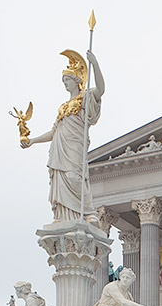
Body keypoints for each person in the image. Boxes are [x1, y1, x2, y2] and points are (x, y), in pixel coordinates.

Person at [22, 49, 104, 222]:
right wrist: (32, 141)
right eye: (63, 80)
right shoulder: (63, 107)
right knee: (60, 180)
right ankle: (62, 215)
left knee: (75, 177)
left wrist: (95, 64)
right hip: (59, 147)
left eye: (67, 80)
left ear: (76, 80)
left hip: (75, 144)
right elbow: (54, 131)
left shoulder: (85, 98)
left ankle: (87, 212)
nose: (64, 83)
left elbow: (101, 90)